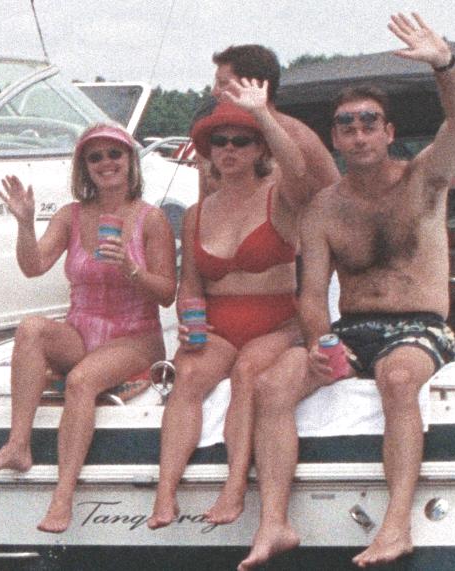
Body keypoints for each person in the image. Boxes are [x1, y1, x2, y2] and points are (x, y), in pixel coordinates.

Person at [239, 13, 455, 570]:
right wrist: (323, 347)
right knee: (273, 385)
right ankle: (274, 523)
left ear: (389, 133)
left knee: (397, 377)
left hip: (421, 326)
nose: (359, 132)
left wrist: (445, 63)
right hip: (353, 329)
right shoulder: (323, 208)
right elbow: (312, 294)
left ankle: (396, 527)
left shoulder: (425, 179)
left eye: (371, 122)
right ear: (336, 138)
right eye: (347, 125)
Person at [0, 123, 177, 533]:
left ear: (130, 161)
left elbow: (167, 294)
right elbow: (33, 267)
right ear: (84, 167)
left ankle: (62, 497)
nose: (106, 163)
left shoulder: (151, 219)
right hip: (82, 330)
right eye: (95, 157)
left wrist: (130, 268)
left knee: (82, 380)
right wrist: (25, 223)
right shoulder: (71, 216)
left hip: (135, 337)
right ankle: (19, 445)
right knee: (31, 328)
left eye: (114, 154)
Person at [147, 78, 313, 530]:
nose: (229, 149)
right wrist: (187, 320)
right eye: (219, 142)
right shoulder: (199, 213)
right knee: (189, 376)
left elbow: (299, 169)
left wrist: (263, 114)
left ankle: (234, 488)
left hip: (278, 321)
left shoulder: (280, 199)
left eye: (242, 141)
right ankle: (165, 495)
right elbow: (191, 283)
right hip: (217, 323)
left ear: (260, 149)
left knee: (247, 373)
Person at [197, 43, 339, 199]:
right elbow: (204, 200)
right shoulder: (213, 139)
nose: (214, 92)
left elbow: (335, 201)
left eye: (223, 83)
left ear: (254, 85)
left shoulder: (299, 139)